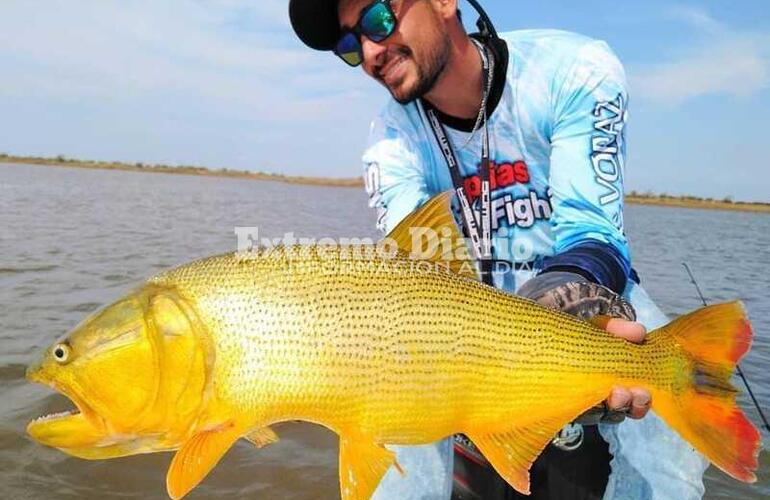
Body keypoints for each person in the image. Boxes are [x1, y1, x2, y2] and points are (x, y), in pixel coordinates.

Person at [288, 0, 709, 498]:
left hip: (579, 289)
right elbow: (414, 277)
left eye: (378, 17)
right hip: (460, 317)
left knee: (671, 428)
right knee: (391, 394)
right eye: (348, 45)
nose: (371, 49)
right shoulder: (391, 141)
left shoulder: (571, 69)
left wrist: (562, 296)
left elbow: (592, 230)